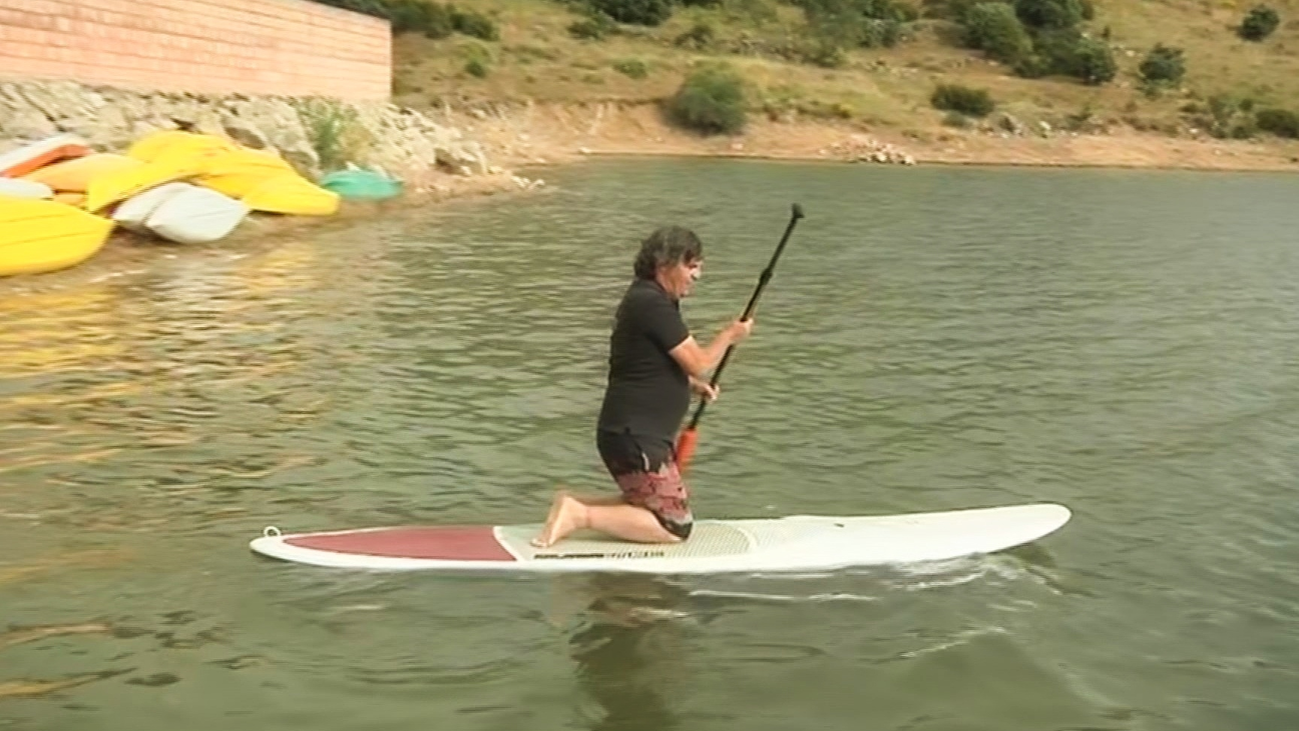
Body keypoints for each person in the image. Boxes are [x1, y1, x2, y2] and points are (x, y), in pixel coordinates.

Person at [531, 225, 753, 548]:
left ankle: (573, 503)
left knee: (648, 504)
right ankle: (579, 515)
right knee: (675, 526)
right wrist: (729, 336)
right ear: (665, 264)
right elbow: (699, 360)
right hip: (634, 438)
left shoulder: (650, 301)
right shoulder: (651, 304)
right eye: (691, 266)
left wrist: (688, 385)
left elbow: (646, 366)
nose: (697, 276)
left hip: (629, 434)